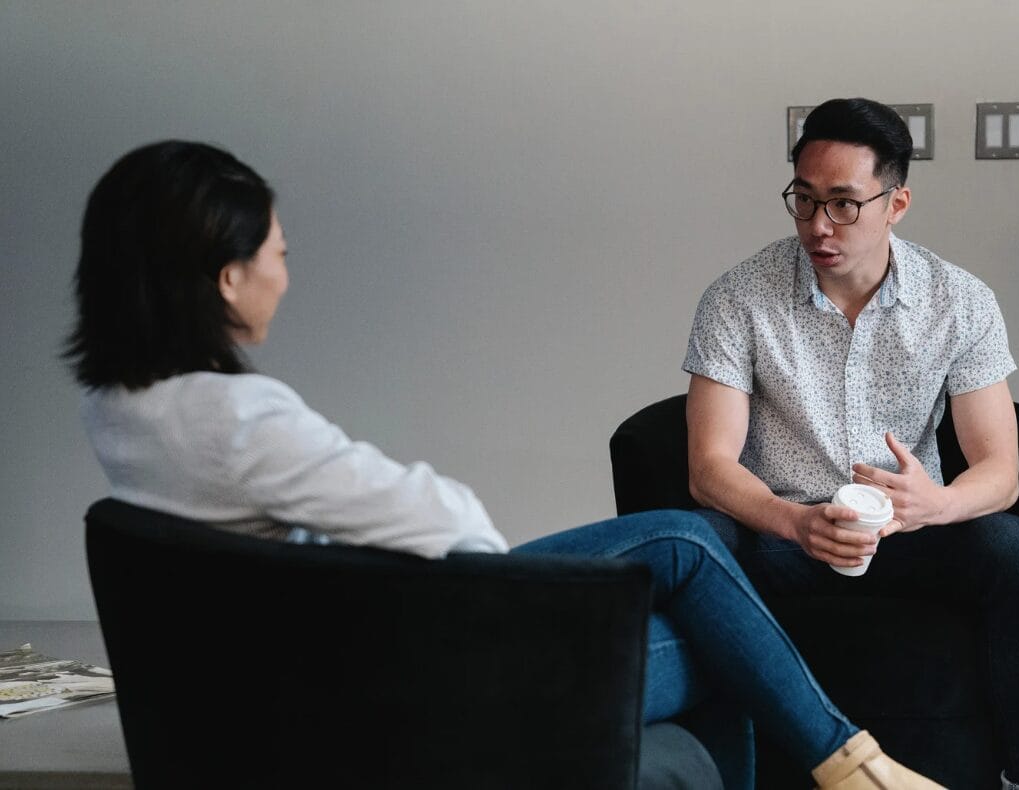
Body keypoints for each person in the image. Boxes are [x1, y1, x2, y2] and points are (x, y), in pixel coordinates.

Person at [65, 140, 942, 790]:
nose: (285, 272)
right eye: (278, 253)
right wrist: (519, 613)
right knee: (724, 640)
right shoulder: (236, 416)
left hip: (319, 652)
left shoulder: (124, 405)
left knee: (681, 537)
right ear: (225, 277)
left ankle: (847, 764)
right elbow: (452, 527)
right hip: (400, 672)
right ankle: (852, 765)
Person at [683, 97, 1019, 790]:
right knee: (695, 544)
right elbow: (710, 467)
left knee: (1017, 551)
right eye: (802, 201)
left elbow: (1001, 472)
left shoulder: (960, 300)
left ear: (896, 204)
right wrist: (795, 522)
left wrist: (935, 506)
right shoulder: (738, 298)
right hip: (783, 534)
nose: (817, 226)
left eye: (842, 204)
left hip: (909, 531)